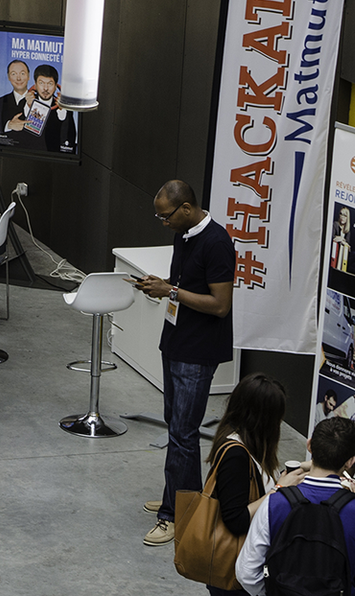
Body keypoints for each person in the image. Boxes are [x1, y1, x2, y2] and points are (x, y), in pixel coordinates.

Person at [133, 179, 236, 546]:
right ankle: (178, 495)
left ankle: (174, 515)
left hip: (198, 351)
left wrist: (171, 291)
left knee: (183, 433)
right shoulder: (184, 234)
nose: (164, 223)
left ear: (187, 208)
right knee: (176, 427)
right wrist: (161, 284)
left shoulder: (217, 243)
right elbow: (185, 283)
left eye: (166, 216)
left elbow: (220, 304)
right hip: (176, 342)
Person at [193, 374, 300, 596]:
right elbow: (236, 520)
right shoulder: (236, 456)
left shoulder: (244, 440)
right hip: (233, 573)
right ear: (264, 419)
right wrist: (278, 489)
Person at [236, 416, 355, 596]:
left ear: (309, 445)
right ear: (351, 461)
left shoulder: (274, 503)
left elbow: (246, 572)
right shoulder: (352, 509)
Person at [25, 64, 78, 153]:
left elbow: (69, 139)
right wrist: (28, 106)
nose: (45, 88)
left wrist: (62, 110)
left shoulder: (65, 108)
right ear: (35, 84)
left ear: (55, 86)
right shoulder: (25, 103)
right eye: (41, 83)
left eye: (50, 84)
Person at [0, 59, 31, 135]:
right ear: (8, 77)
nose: (18, 78)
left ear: (28, 76)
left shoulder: (39, 101)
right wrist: (8, 126)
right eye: (14, 74)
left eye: (22, 73)